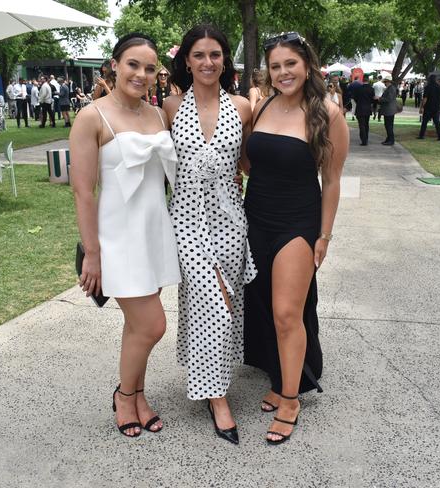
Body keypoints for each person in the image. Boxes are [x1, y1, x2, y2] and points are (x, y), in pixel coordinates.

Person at [70, 32, 181, 438]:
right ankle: (124, 394)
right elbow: (83, 191)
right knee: (152, 326)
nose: (141, 73)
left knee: (137, 327)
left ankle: (137, 395)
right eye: (133, 64)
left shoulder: (157, 115)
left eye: (150, 68)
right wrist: (93, 254)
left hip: (153, 233)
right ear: (114, 65)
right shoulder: (91, 116)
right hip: (117, 238)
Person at [242, 31, 348, 446]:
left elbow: (333, 179)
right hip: (255, 218)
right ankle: (279, 375)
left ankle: (291, 399)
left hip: (297, 224)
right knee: (265, 306)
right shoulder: (262, 104)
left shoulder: (327, 112)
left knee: (288, 312)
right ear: (268, 71)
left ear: (307, 66)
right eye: (276, 66)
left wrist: (324, 234)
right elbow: (250, 161)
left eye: (291, 64)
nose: (283, 72)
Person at [164, 24, 256, 446]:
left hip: (230, 222)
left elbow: (251, 164)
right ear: (186, 60)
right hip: (185, 221)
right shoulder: (168, 107)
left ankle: (209, 379)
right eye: (198, 55)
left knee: (225, 307)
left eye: (215, 54)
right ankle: (218, 399)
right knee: (211, 304)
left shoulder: (241, 107)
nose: (207, 62)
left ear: (225, 60)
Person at [418, 74, 440, 140]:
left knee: (424, 122)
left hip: (428, 106)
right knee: (437, 121)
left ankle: (421, 135)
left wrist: (421, 107)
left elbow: (425, 98)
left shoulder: (427, 87)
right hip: (437, 106)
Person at [352, 76, 375, 145]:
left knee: (361, 125)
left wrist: (359, 102)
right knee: (366, 124)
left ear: (362, 81)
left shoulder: (359, 88)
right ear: (368, 80)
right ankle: (366, 138)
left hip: (360, 108)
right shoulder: (371, 89)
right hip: (367, 108)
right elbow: (372, 99)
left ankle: (363, 139)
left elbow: (355, 98)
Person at [379, 74, 398, 146]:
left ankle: (391, 140)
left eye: (385, 82)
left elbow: (388, 99)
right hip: (389, 110)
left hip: (389, 110)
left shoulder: (391, 88)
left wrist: (379, 98)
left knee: (389, 125)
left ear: (388, 82)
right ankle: (389, 138)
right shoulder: (390, 88)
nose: (384, 83)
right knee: (387, 125)